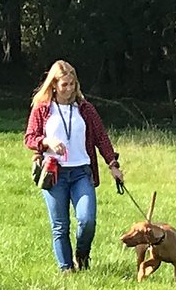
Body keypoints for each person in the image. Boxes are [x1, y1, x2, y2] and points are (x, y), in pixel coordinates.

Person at [24, 59, 124, 273]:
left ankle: (82, 254)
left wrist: (113, 165)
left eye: (72, 84)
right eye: (64, 85)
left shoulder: (85, 109)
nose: (69, 89)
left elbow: (101, 138)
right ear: (54, 85)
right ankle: (66, 269)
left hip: (81, 172)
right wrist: (47, 142)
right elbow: (30, 137)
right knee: (60, 226)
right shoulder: (43, 109)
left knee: (87, 220)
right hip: (54, 173)